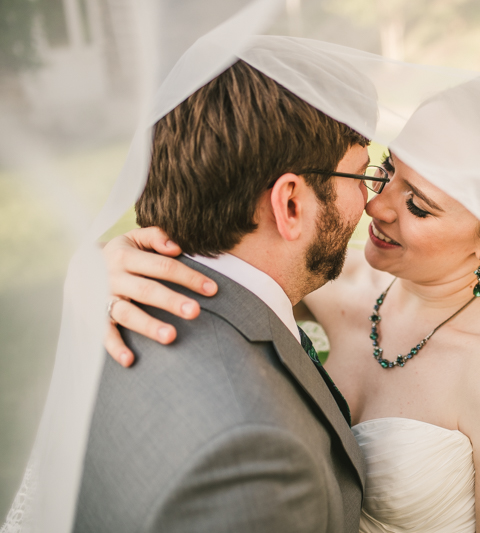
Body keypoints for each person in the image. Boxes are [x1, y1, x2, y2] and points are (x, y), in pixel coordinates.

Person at [102, 76, 480, 533]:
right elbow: (232, 275)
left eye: (418, 205)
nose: (376, 206)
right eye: (388, 171)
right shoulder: (339, 282)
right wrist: (115, 262)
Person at [71, 58, 378, 532]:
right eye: (360, 177)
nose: (372, 201)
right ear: (290, 203)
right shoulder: (256, 458)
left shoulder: (103, 303)